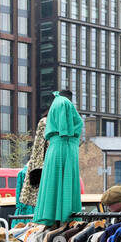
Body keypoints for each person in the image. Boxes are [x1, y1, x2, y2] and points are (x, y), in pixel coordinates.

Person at [31, 89, 84, 224]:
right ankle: (64, 217)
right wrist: (68, 132)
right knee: (64, 183)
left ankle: (56, 217)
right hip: (64, 148)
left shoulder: (56, 103)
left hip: (57, 148)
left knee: (55, 184)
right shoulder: (63, 102)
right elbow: (65, 129)